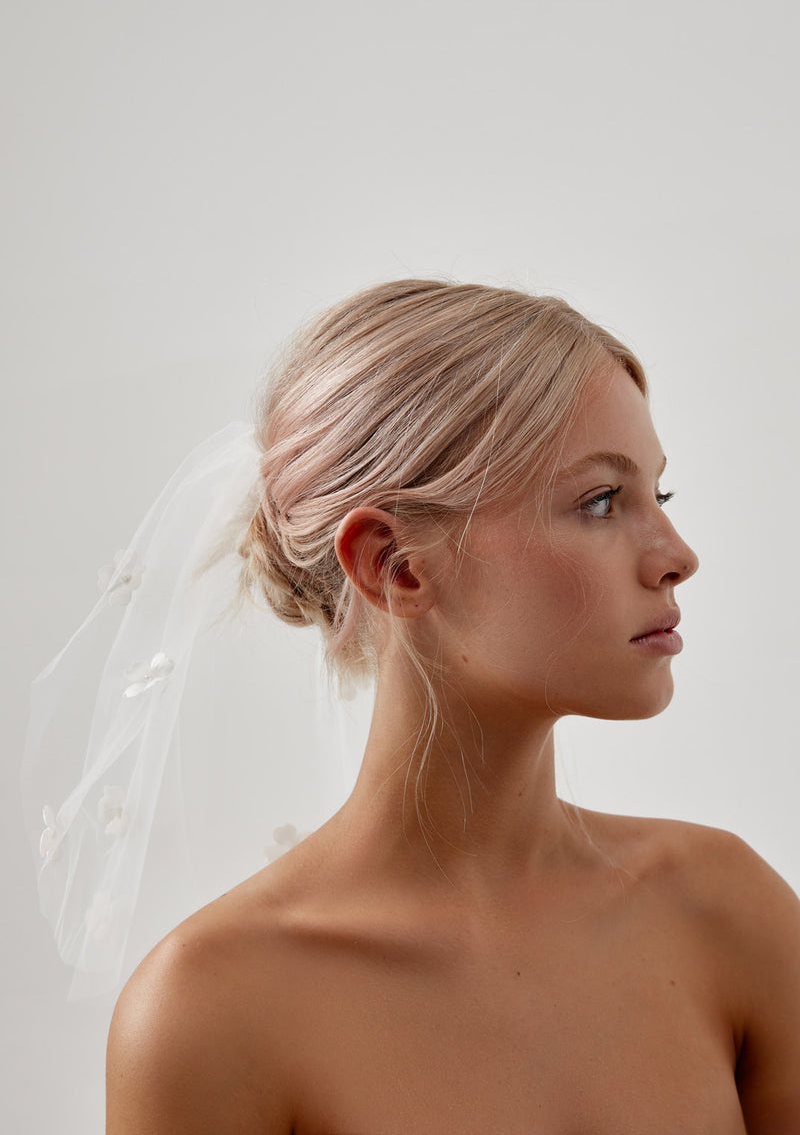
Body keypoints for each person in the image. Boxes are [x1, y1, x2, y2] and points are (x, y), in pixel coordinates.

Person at [99, 279, 799, 1131]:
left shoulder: (727, 911)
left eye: (662, 495)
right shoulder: (210, 1011)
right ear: (396, 566)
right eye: (601, 501)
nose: (677, 556)